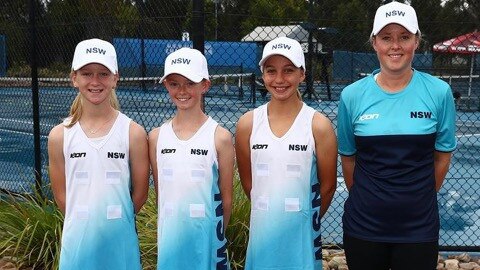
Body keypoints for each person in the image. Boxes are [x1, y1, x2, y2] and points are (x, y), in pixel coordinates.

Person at [337, 2, 457, 270]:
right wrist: (370, 198)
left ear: (416, 41)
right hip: (363, 227)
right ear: (374, 42)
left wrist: (416, 197)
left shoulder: (439, 93)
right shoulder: (352, 96)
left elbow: (442, 158)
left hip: (419, 228)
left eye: (404, 37)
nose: (395, 46)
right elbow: (349, 159)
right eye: (386, 38)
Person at [235, 36, 338, 270]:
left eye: (288, 70)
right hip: (262, 237)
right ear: (263, 75)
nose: (279, 79)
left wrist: (300, 219)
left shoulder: (318, 125)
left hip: (301, 237)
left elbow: (328, 186)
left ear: (302, 74)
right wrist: (271, 217)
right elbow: (250, 183)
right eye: (271, 71)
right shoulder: (247, 124)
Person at [48, 38, 149, 270]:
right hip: (77, 246)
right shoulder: (59, 136)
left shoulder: (133, 133)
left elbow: (140, 193)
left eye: (103, 74)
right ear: (74, 78)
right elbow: (63, 197)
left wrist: (114, 221)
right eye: (87, 73)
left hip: (120, 244)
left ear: (115, 78)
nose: (95, 81)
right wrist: (87, 222)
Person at [148, 47, 234, 269]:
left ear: (205, 85)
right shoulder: (156, 137)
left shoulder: (220, 137)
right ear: (166, 85)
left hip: (207, 244)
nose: (182, 90)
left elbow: (226, 200)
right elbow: (162, 195)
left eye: (190, 83)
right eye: (174, 83)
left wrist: (212, 235)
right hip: (170, 244)